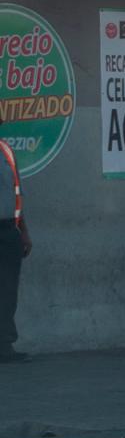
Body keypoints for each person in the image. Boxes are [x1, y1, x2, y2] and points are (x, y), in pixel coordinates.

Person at [0, 140, 30, 364]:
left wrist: (23, 231)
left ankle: (5, 347)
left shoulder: (7, 151)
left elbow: (16, 194)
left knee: (8, 291)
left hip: (9, 230)